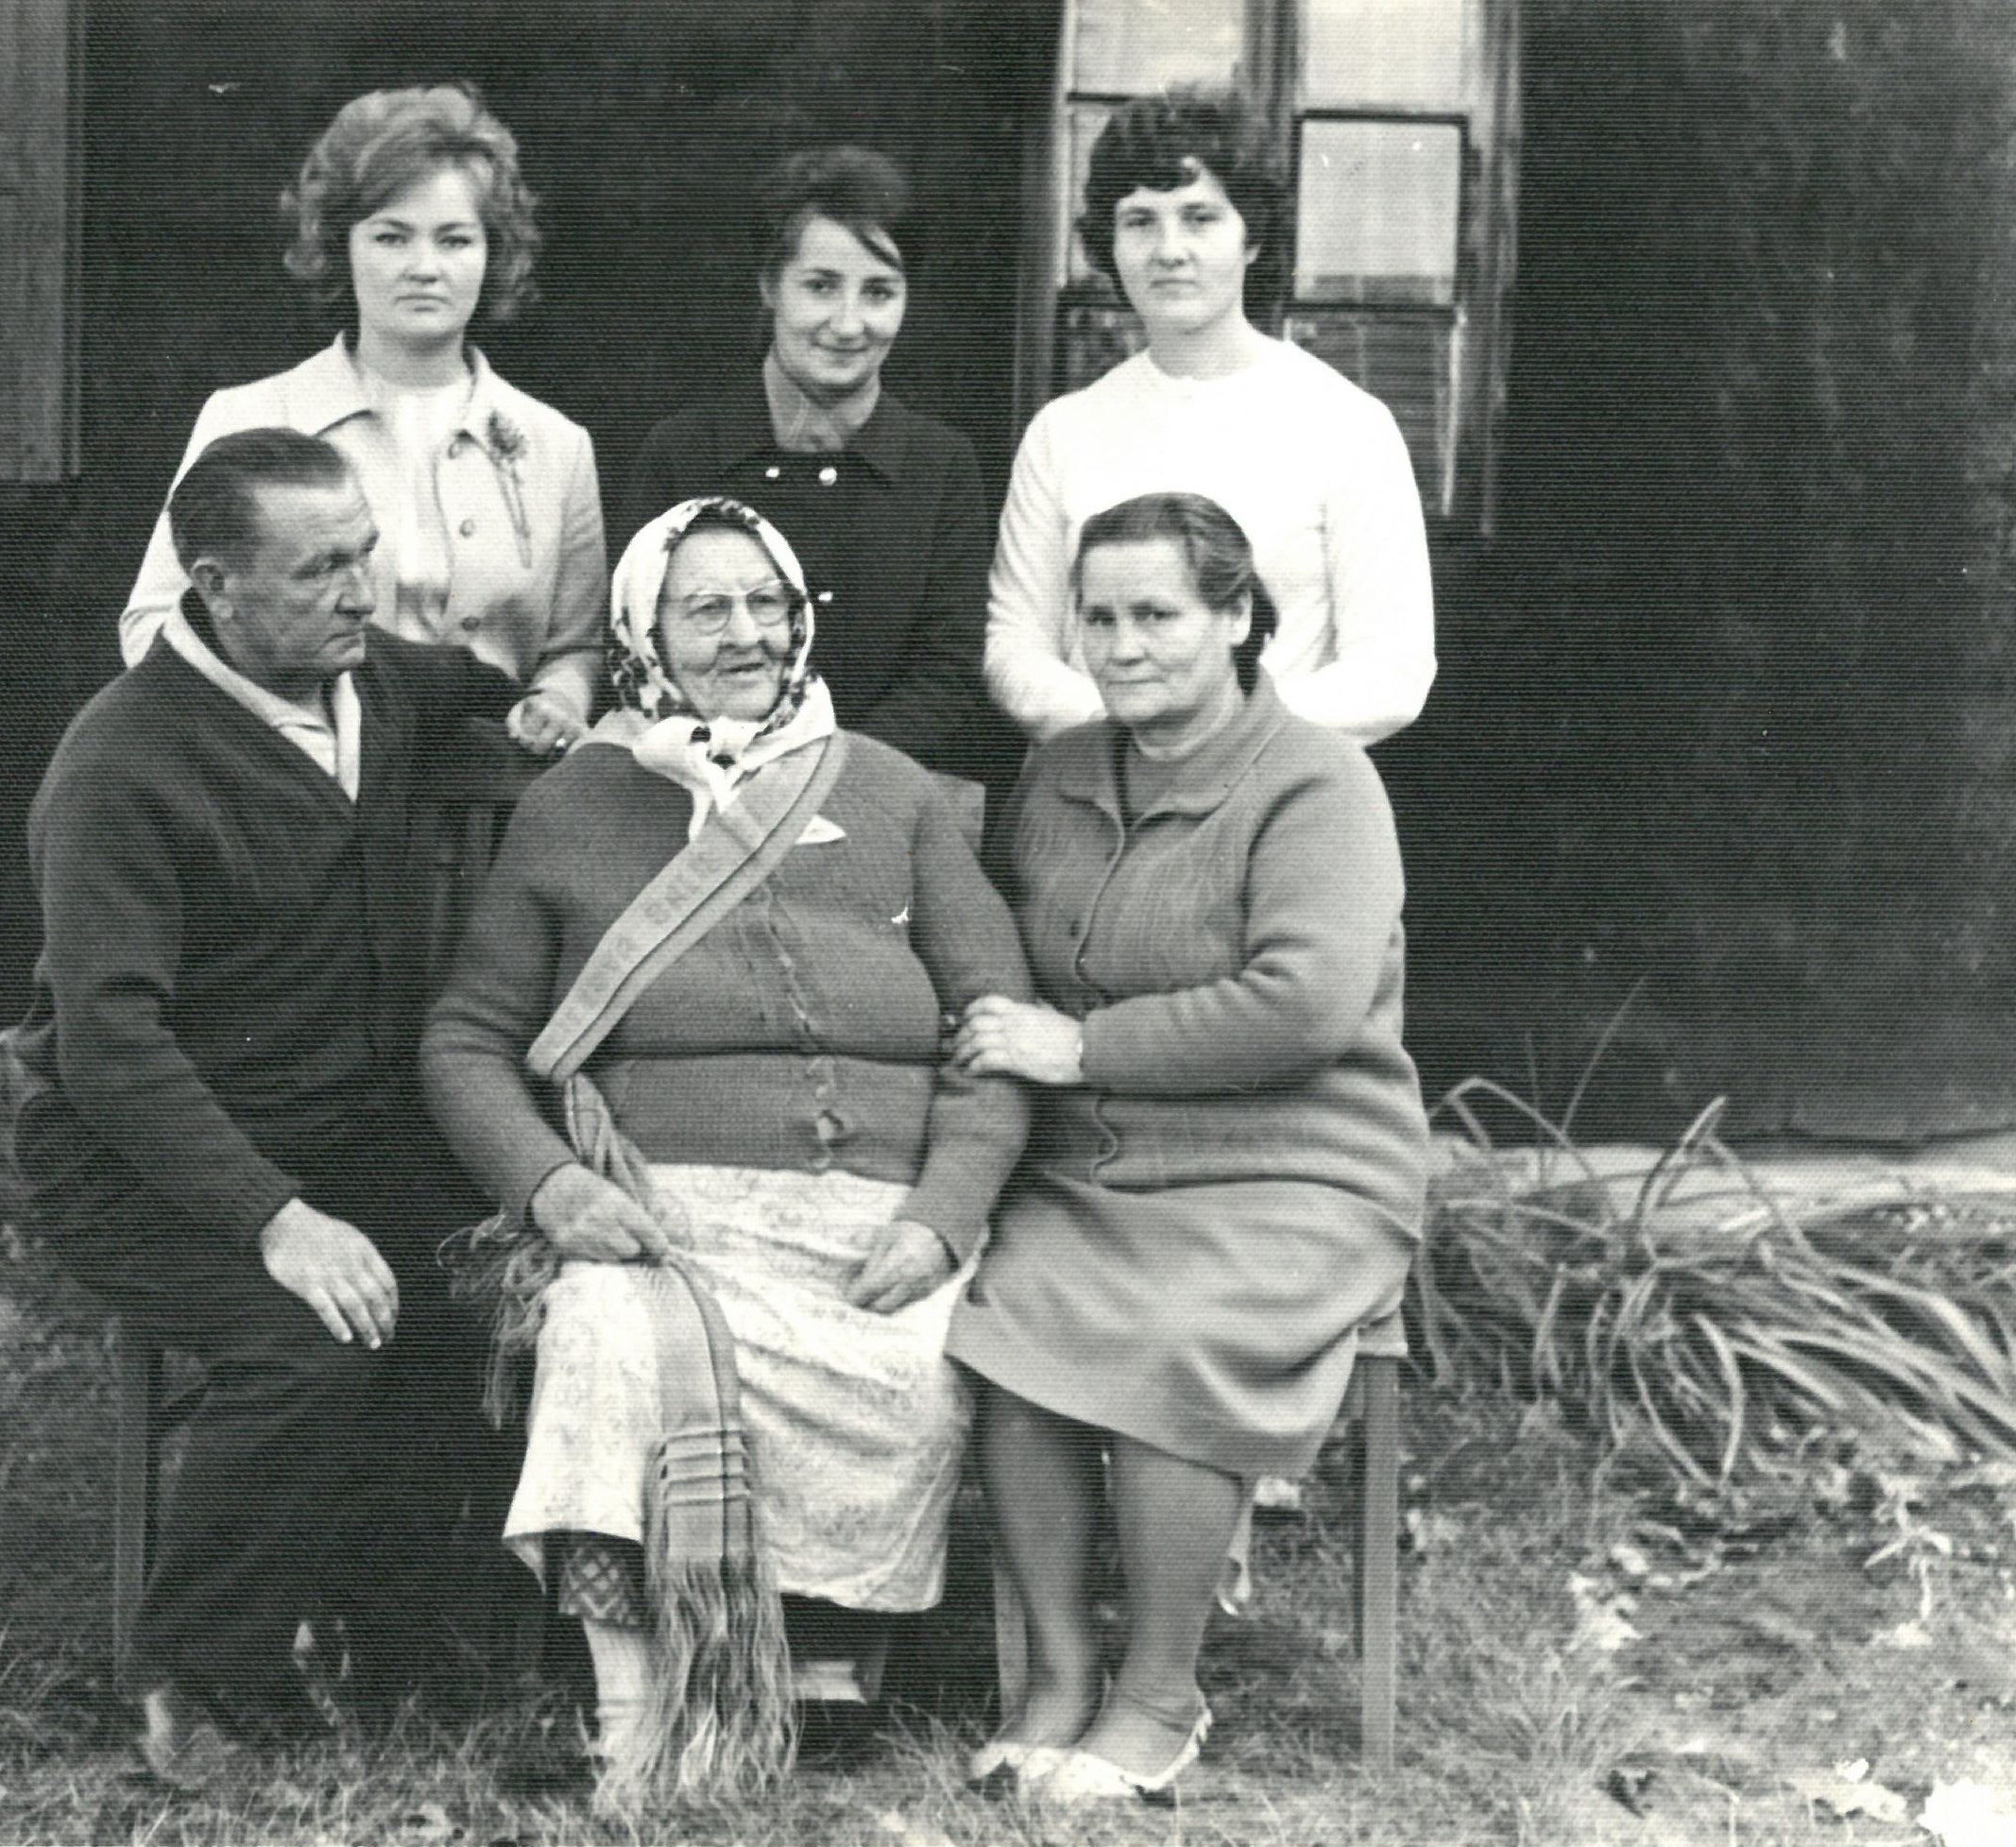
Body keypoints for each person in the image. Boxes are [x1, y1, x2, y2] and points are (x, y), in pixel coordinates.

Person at [420, 495, 1032, 1810]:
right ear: (646, 632)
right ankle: (635, 1700)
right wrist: (552, 1184)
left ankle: (813, 1655)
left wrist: (942, 1212)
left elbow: (996, 1033)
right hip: (664, 1211)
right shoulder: (580, 803)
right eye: (704, 607)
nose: (744, 631)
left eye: (766, 601)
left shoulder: (886, 787)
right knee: (600, 1335)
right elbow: (464, 1041)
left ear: (802, 614)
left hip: (878, 1206)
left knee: (916, 1358)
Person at [13, 429, 521, 1786]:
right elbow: (107, 1047)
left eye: (368, 552)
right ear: (213, 585)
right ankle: (196, 1677)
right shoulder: (122, 764)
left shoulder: (363, 680)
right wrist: (276, 1221)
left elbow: (459, 676)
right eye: (321, 569)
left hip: (341, 1125)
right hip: (142, 1154)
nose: (366, 589)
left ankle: (387, 1623)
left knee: (486, 1277)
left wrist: (543, 708)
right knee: (305, 1342)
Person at [948, 492, 1427, 1804]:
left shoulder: (1318, 780)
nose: (1121, 643)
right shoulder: (1056, 770)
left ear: (1233, 618)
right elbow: (998, 954)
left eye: (1156, 612)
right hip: (1097, 1163)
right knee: (1004, 1320)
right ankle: (1055, 1676)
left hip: (1297, 1167)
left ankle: (1158, 1695)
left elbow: (1305, 1003)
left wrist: (1080, 1049)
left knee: (1169, 1332)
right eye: (1095, 617)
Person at [120, 82, 602, 758]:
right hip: (295, 803)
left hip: (494, 812)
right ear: (338, 244)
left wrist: (556, 700)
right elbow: (154, 627)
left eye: (455, 239)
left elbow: (574, 646)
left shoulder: (557, 447)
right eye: (391, 237)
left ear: (494, 252)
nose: (424, 268)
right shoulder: (252, 416)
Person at [984, 89, 1436, 750]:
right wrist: (1127, 733)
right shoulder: (1063, 432)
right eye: (1140, 221)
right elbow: (1013, 649)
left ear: (1251, 237)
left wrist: (1218, 736)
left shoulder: (1348, 427)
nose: (1169, 249)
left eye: (1199, 218)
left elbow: (1391, 673)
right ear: (1108, 243)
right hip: (1088, 791)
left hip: (1275, 791)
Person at [624, 146, 1008, 786]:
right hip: (699, 794)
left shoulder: (942, 468)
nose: (848, 323)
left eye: (879, 291)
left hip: (879, 793)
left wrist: (823, 778)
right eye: (821, 286)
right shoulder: (682, 453)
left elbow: (947, 673)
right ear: (770, 285)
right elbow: (644, 650)